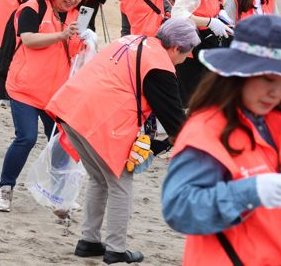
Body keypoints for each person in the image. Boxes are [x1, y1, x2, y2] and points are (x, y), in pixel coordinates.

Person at [47, 18, 199, 264]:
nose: (186, 59)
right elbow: (175, 123)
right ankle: (116, 250)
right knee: (120, 183)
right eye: (187, 54)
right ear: (175, 48)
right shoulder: (160, 65)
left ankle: (89, 241)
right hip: (100, 119)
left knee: (99, 179)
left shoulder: (133, 39)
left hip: (71, 106)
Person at [162, 15, 281, 266]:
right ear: (238, 74)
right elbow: (179, 207)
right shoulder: (206, 131)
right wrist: (250, 192)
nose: (277, 92)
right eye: (267, 78)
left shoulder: (273, 123)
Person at [0, 0, 90, 212]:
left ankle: (58, 193)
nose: (73, 0)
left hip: (56, 93)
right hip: (25, 88)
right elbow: (28, 39)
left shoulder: (78, 15)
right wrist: (61, 36)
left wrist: (88, 41)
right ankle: (5, 188)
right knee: (26, 137)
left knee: (61, 141)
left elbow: (75, 50)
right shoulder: (33, 7)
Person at [171, 0, 234, 104]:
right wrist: (209, 22)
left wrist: (221, 16)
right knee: (191, 102)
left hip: (208, 51)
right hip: (190, 53)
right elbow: (177, 15)